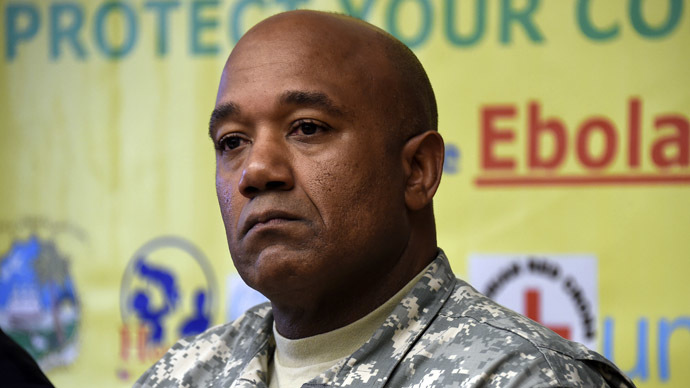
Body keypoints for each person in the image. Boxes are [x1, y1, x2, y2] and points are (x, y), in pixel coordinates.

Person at [135, 10, 635, 388]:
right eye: (231, 141)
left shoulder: (523, 377)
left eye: (307, 128)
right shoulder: (183, 374)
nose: (256, 170)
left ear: (418, 170)